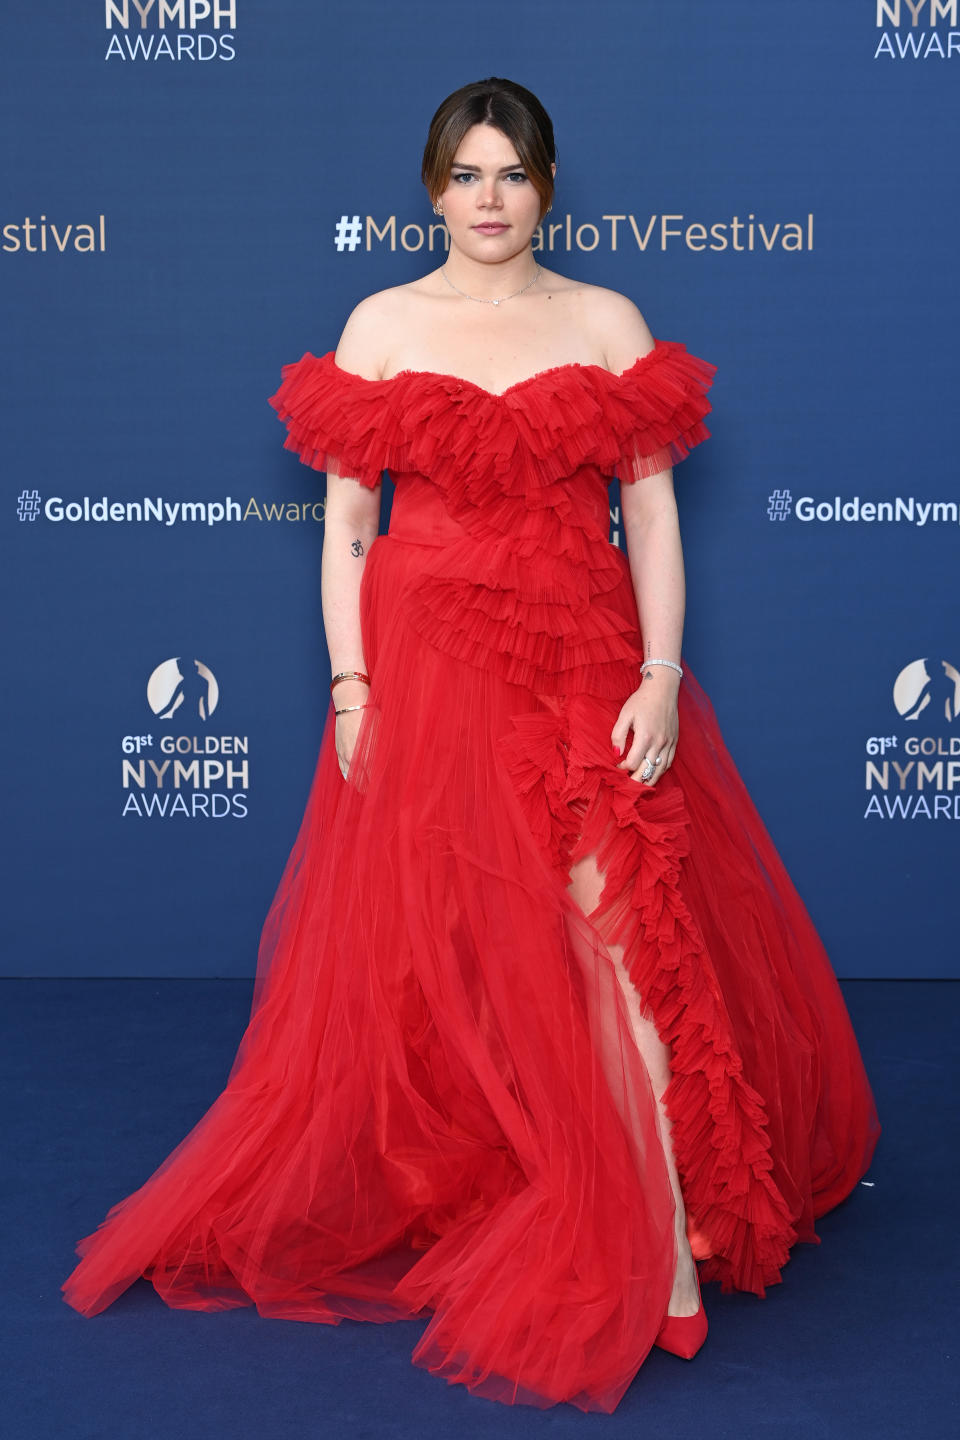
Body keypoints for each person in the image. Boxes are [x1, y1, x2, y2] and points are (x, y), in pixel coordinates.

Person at [63, 78, 880, 1413]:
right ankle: (559, 1179)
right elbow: (346, 532)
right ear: (433, 188)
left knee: (628, 941)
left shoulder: (607, 322)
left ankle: (666, 1238)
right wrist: (350, 688)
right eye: (466, 173)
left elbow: (655, 524)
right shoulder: (381, 326)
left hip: (586, 664)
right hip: (431, 673)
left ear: (549, 186)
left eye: (511, 173)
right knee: (475, 947)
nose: (488, 198)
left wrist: (664, 675)